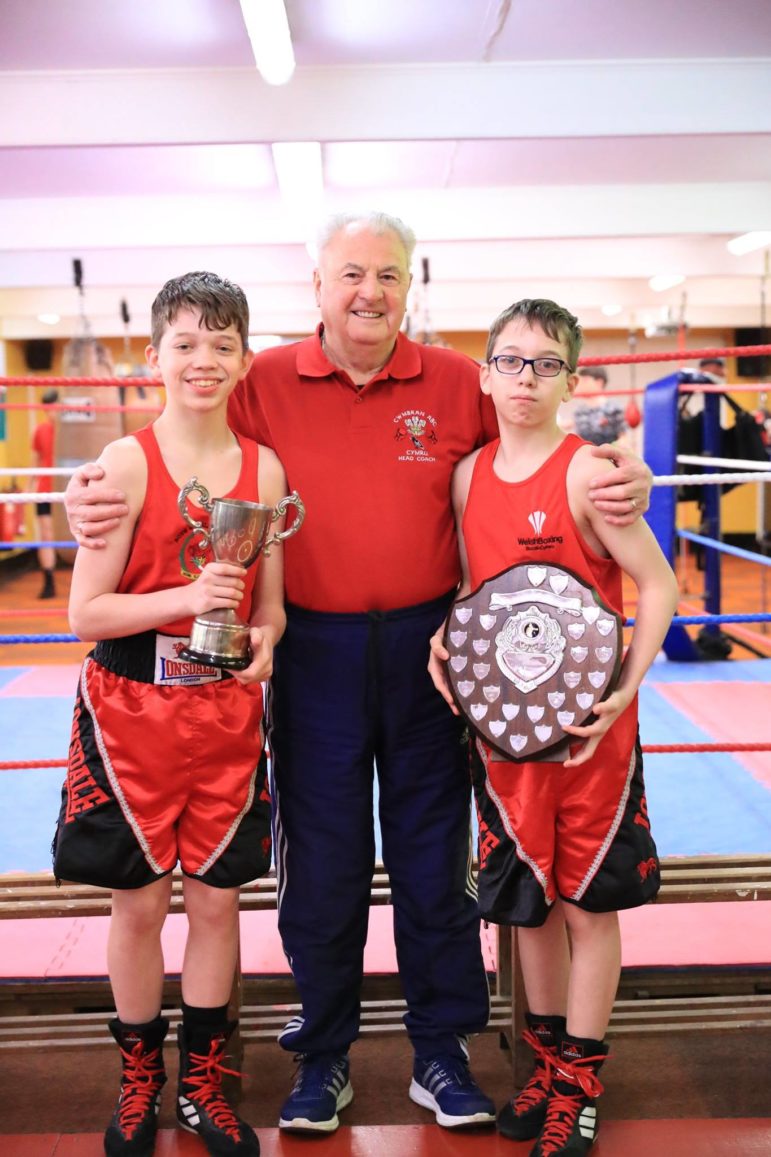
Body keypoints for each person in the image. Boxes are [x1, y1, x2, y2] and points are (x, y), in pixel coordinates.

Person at [63, 212, 653, 1136]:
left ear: (409, 284)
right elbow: (182, 430)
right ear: (318, 284)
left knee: (434, 854)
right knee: (324, 856)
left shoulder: (461, 380)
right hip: (312, 648)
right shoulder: (260, 379)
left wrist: (629, 474)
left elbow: (543, 446)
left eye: (386, 273)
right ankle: (323, 1051)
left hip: (431, 645)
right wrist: (86, 488)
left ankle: (442, 1050)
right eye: (350, 273)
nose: (368, 290)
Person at [428, 298, 678, 1156]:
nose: (524, 377)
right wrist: (445, 639)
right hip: (502, 738)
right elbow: (475, 598)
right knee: (529, 909)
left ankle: (579, 1082)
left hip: (588, 737)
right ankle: (539, 1066)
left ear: (571, 378)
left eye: (544, 363)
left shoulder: (585, 474)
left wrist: (624, 689)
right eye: (509, 360)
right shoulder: (466, 476)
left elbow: (659, 584)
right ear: (486, 373)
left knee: (585, 908)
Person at [53, 271, 290, 1157]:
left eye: (221, 343)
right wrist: (187, 596)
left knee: (219, 906)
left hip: (225, 713)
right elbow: (86, 614)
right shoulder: (123, 462)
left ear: (243, 358)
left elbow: (271, 607)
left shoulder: (263, 466)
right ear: (153, 356)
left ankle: (203, 1083)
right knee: (140, 905)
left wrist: (264, 637)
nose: (203, 359)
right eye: (185, 343)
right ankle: (138, 1078)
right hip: (130, 715)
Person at [31, 388, 59, 598]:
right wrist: (28, 490)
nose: (52, 411)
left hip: (69, 489)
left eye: (55, 405)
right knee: (47, 534)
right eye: (48, 407)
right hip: (45, 490)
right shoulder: (40, 431)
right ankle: (48, 581)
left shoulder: (72, 431)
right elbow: (35, 463)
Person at [558, 365, 629, 448]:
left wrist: (615, 448)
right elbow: (573, 431)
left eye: (585, 381)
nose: (580, 385)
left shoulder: (613, 408)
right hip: (585, 456)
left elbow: (623, 437)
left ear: (599, 382)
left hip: (610, 456)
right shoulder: (580, 411)